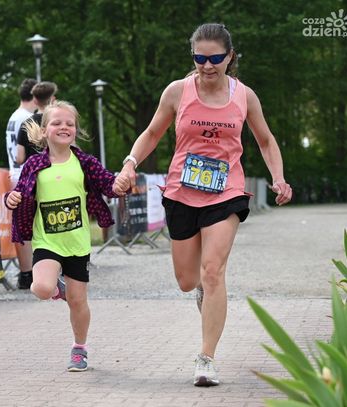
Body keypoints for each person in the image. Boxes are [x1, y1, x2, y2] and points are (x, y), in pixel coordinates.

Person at [113, 23, 292, 386]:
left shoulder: (245, 96)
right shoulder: (177, 92)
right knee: (187, 280)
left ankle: (206, 358)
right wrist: (129, 164)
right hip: (182, 191)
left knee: (213, 272)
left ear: (230, 57)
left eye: (215, 58)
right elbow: (152, 133)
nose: (207, 65)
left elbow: (265, 140)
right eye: (200, 58)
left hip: (227, 191)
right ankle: (202, 291)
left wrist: (278, 177)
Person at [5, 100, 127, 372]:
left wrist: (120, 183)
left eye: (70, 124)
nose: (64, 127)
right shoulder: (34, 164)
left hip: (77, 243)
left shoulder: (85, 162)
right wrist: (10, 198)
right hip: (47, 241)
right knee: (41, 288)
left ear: (76, 130)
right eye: (57, 123)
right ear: (44, 130)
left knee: (78, 301)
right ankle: (56, 288)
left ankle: (79, 348)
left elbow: (108, 184)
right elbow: (19, 193)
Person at [5, 78, 37, 289]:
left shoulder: (14, 116)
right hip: (26, 175)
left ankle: (26, 273)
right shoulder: (28, 119)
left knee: (22, 224)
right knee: (29, 225)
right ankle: (29, 273)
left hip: (15, 173)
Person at [15, 81, 58, 165]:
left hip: (34, 171)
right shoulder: (60, 122)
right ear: (53, 99)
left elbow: (20, 159)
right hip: (56, 169)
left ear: (34, 101)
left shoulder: (26, 124)